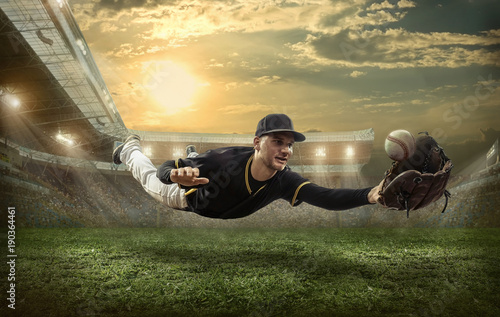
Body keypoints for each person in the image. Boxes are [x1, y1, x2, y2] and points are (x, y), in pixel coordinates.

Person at [113, 113, 382, 219]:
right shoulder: (226, 159)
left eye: (289, 144)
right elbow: (162, 170)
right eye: (278, 141)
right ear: (257, 142)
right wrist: (174, 174)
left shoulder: (284, 180)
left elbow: (326, 197)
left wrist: (369, 195)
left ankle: (193, 154)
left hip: (204, 175)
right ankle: (129, 148)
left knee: (197, 161)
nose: (286, 150)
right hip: (184, 196)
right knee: (147, 175)